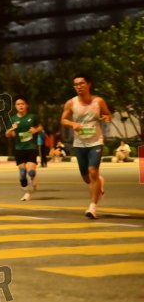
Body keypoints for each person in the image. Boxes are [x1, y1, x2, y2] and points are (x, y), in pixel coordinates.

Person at [61, 73, 112, 219]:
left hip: (96, 141)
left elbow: (108, 114)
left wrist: (106, 118)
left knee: (92, 171)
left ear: (89, 84)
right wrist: (73, 124)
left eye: (81, 83)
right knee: (86, 177)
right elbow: (63, 120)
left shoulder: (98, 101)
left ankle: (92, 207)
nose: (79, 86)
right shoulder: (71, 103)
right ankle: (99, 182)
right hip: (79, 143)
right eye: (76, 84)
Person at [5, 96, 43, 201]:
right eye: (18, 104)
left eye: (22, 104)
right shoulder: (13, 119)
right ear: (15, 106)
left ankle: (33, 178)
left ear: (26, 105)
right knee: (22, 173)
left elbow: (40, 127)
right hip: (19, 149)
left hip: (31, 148)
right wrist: (11, 129)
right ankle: (27, 193)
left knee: (30, 172)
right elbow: (7, 134)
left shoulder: (32, 117)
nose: (20, 106)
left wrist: (35, 130)